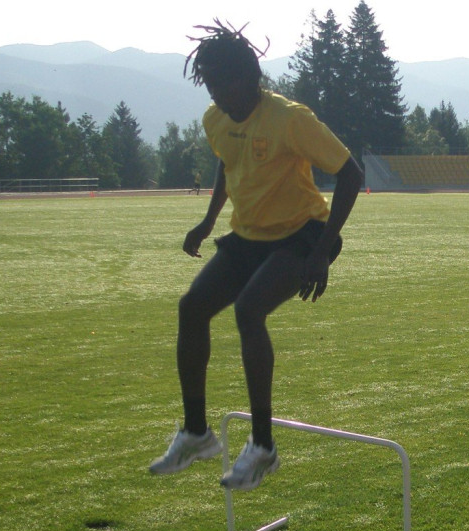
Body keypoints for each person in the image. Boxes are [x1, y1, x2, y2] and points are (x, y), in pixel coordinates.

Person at [148, 20, 363, 491]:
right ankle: (197, 433)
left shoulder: (290, 118)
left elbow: (351, 172)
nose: (216, 94)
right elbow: (229, 165)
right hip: (248, 237)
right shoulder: (215, 120)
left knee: (248, 311)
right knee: (192, 308)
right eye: (209, 84)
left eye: (223, 83)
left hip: (301, 235)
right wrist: (207, 223)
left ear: (249, 77)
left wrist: (322, 253)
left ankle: (263, 445)